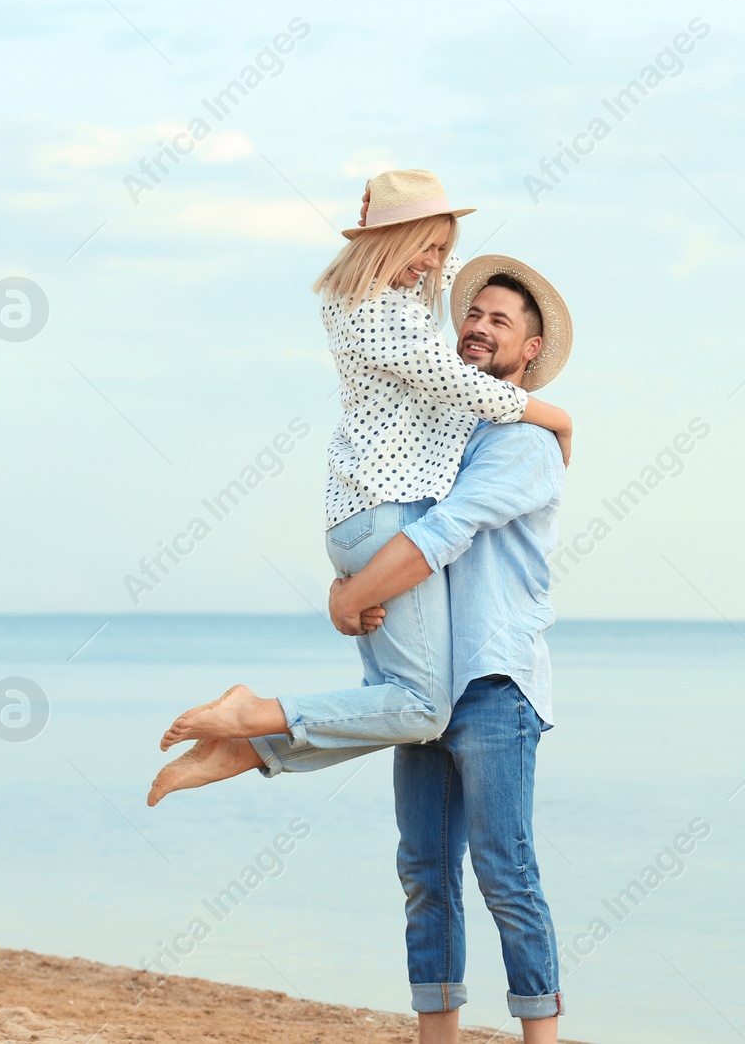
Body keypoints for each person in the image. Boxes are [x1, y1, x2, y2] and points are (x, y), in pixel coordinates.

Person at [147, 254, 573, 1044]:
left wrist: (350, 594)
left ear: (531, 348)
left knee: (506, 874)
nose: (476, 327)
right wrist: (356, 589)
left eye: (499, 320)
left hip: (494, 683)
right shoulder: (441, 430)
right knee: (424, 875)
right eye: (471, 314)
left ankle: (538, 1039)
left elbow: (437, 536)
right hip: (432, 681)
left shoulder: (523, 446)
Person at [148, 171, 571, 803]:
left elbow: (449, 269)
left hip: (356, 521)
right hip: (392, 519)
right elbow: (478, 391)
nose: (433, 265)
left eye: (439, 248)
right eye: (422, 248)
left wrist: (396, 220)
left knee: (392, 707)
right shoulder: (392, 322)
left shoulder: (360, 298)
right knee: (423, 711)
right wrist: (562, 420)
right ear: (390, 243)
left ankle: (247, 748)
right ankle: (254, 716)